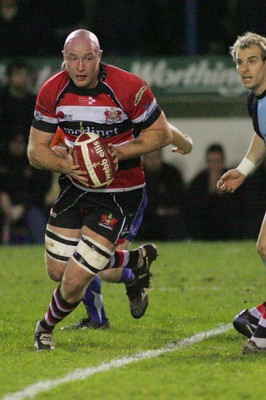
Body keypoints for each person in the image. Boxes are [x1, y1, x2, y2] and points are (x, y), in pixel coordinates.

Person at [27, 29, 193, 351]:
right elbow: (36, 151)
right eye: (72, 58)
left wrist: (118, 152)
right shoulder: (52, 92)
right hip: (75, 187)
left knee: (78, 277)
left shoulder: (128, 87)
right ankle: (134, 263)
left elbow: (159, 133)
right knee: (58, 270)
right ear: (64, 59)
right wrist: (63, 164)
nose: (80, 66)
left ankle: (45, 328)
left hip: (121, 192)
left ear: (99, 56)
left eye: (87, 58)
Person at [217, 32, 266, 354]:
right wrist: (244, 170)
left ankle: (262, 335)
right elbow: (261, 136)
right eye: (239, 62)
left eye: (252, 61)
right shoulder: (255, 100)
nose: (245, 68)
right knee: (264, 247)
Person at [187, 143, 245, 240]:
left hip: (228, 229)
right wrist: (211, 192)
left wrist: (222, 194)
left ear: (223, 162)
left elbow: (238, 208)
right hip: (204, 230)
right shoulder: (198, 182)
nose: (214, 166)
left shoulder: (233, 179)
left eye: (217, 161)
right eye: (211, 162)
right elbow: (194, 210)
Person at [137, 148, 187, 241]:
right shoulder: (138, 176)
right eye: (149, 158)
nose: (153, 161)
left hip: (168, 218)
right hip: (146, 217)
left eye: (156, 157)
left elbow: (180, 197)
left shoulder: (172, 174)